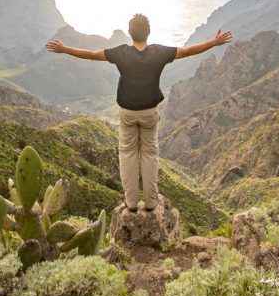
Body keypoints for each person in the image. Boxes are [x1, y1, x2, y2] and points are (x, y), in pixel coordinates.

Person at [45, 14, 232, 212]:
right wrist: (214, 42)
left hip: (127, 112)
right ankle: (151, 202)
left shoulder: (121, 53)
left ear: (129, 33)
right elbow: (186, 52)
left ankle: (131, 202)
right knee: (150, 154)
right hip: (149, 112)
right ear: (148, 33)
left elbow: (92, 55)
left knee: (128, 154)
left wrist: (65, 49)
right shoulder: (159, 52)